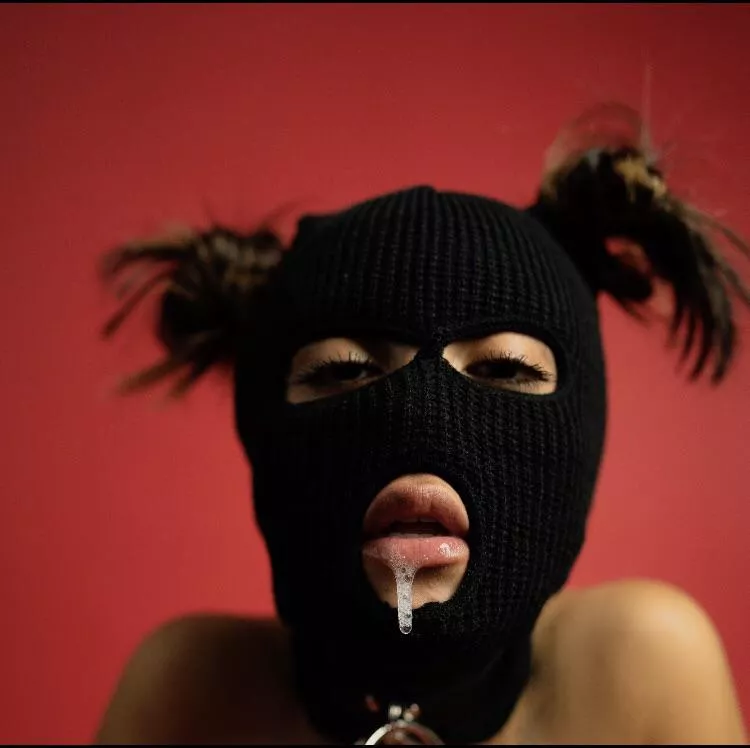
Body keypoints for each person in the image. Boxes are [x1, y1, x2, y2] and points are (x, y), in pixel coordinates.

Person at [94, 104, 748, 745]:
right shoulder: (193, 696)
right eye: (347, 371)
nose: (421, 419)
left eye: (505, 369)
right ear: (261, 429)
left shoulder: (643, 670)